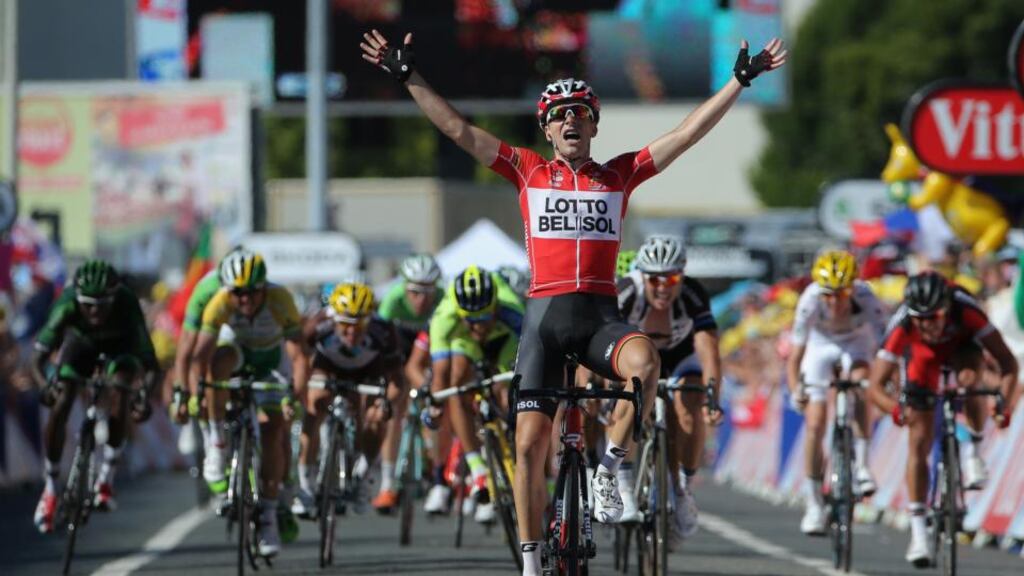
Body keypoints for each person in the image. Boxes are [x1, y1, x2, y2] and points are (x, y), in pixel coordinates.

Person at [360, 28, 786, 575]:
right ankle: (533, 562)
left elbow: (685, 134)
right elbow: (458, 129)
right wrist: (408, 76)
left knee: (645, 364)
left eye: (580, 114)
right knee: (530, 444)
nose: (570, 122)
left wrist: (737, 81)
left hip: (599, 319)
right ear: (547, 128)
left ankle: (610, 468)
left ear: (593, 125)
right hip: (543, 322)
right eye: (560, 115)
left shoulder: (619, 175)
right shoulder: (527, 170)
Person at [868, 271, 1017, 566]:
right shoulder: (903, 324)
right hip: (922, 360)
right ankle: (919, 533)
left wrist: (1004, 404)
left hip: (962, 350)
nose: (927, 325)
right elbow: (875, 387)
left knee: (970, 376)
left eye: (933, 318)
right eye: (920, 319)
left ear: (946, 309)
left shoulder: (967, 311)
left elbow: (1008, 363)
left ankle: (973, 452)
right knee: (919, 440)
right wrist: (897, 411)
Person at [191, 250, 310, 558]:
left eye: (251, 292)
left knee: (272, 434)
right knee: (218, 362)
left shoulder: (280, 299)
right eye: (237, 293)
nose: (244, 300)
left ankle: (269, 517)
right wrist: (196, 395)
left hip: (272, 363)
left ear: (263, 287)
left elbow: (298, 356)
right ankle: (218, 441)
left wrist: (294, 396)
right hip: (238, 355)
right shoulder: (219, 303)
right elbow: (199, 356)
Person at [33, 260, 159, 533]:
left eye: (102, 304)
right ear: (77, 298)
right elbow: (38, 358)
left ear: (115, 296)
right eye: (87, 304)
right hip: (81, 346)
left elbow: (150, 364)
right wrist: (46, 384)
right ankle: (51, 487)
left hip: (120, 349)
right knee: (63, 397)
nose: (94, 311)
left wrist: (142, 396)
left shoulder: (127, 303)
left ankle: (106, 477)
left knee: (122, 389)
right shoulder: (66, 304)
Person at [617, 235, 722, 542]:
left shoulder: (692, 294)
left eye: (671, 278)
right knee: (627, 399)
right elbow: (604, 342)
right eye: (655, 279)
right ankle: (624, 481)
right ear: (643, 276)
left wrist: (712, 397)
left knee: (690, 413)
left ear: (682, 275)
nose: (663, 287)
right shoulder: (627, 291)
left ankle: (684, 489)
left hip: (681, 355)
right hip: (637, 356)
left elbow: (709, 349)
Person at [786, 250, 887, 536]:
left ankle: (863, 465)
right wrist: (796, 390)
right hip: (819, 346)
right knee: (815, 423)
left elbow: (885, 348)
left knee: (862, 382)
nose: (834, 301)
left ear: (853, 287)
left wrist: (884, 381)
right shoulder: (809, 300)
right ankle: (814, 502)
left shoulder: (867, 297)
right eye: (828, 295)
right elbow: (795, 356)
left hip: (856, 344)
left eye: (841, 294)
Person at [292, 282, 404, 519]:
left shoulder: (383, 331)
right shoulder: (317, 326)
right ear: (334, 319)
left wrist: (386, 403)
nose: (352, 333)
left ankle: (363, 474)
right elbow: (300, 361)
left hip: (368, 372)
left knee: (375, 417)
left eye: (360, 325)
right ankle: (306, 484)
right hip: (328, 368)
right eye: (345, 325)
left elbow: (396, 381)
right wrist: (299, 392)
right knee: (315, 405)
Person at [426, 265, 522, 523]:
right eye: (472, 319)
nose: (478, 325)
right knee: (456, 383)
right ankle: (478, 468)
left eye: (483, 318)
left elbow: (530, 356)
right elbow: (440, 376)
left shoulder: (510, 306)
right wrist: (435, 406)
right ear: (460, 313)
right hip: (464, 343)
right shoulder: (444, 318)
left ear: (494, 307)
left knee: (506, 390)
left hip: (503, 339)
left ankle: (511, 445)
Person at [373, 253, 442, 512]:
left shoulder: (443, 300)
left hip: (430, 343)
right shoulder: (393, 299)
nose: (421, 300)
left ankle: (433, 461)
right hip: (399, 342)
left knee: (435, 394)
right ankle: (388, 484)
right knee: (394, 407)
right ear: (404, 287)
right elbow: (380, 343)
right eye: (414, 292)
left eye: (428, 292)